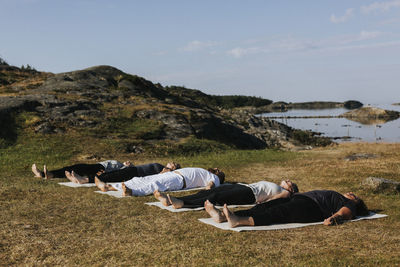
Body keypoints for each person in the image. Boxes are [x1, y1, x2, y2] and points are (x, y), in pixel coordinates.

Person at [205, 190, 369, 228]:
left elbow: (345, 213)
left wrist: (334, 219)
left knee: (277, 214)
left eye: (354, 195)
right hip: (300, 199)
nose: (350, 193)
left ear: (356, 201)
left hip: (312, 208)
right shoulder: (341, 197)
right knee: (263, 207)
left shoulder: (350, 204)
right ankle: (224, 217)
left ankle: (239, 221)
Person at [154, 180, 298, 209]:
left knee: (216, 198)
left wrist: (262, 204)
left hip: (250, 194)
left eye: (291, 183)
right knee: (211, 191)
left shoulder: (285, 193)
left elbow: (274, 201)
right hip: (245, 187)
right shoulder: (279, 187)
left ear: (291, 189)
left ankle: (183, 203)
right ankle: (174, 199)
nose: (288, 181)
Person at [95, 167, 225, 197]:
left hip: (179, 180)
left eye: (220, 171)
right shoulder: (206, 171)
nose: (217, 169)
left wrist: (207, 192)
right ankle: (109, 187)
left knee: (154, 185)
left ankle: (133, 192)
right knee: (140, 179)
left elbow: (210, 186)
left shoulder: (215, 179)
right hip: (172, 174)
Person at [64, 162, 180, 184]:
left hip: (136, 174)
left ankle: (83, 180)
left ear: (174, 169)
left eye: (174, 165)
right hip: (134, 169)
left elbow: (157, 177)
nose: (172, 163)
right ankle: (84, 178)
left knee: (111, 176)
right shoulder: (162, 165)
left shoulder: (167, 171)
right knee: (109, 174)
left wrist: (165, 172)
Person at [31, 160, 133, 181]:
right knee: (72, 168)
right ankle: (46, 174)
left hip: (99, 168)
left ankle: (49, 174)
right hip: (97, 166)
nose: (128, 161)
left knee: (76, 170)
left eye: (130, 163)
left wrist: (127, 166)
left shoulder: (124, 169)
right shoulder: (119, 163)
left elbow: (120, 174)